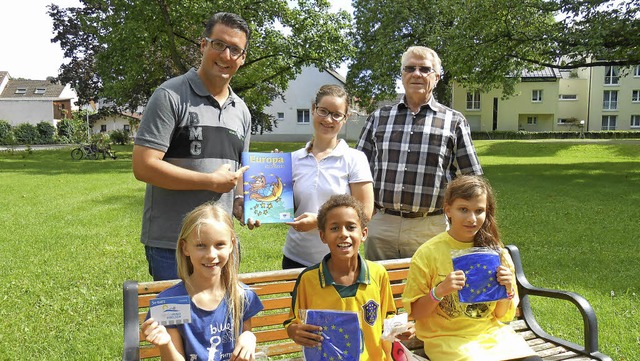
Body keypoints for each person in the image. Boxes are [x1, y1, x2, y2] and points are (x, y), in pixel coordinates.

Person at [133, 12, 255, 281]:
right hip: (173, 245)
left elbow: (239, 171)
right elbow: (144, 166)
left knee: (219, 322)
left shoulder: (242, 111)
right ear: (203, 45)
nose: (226, 56)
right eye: (219, 44)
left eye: (235, 50)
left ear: (243, 58)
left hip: (221, 246)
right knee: (177, 323)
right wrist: (209, 182)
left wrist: (240, 201)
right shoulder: (170, 96)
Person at [356, 45, 483, 261]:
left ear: (437, 77)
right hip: (382, 223)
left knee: (429, 290)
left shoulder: (454, 121)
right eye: (410, 68)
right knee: (379, 289)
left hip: (430, 226)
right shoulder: (379, 118)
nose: (416, 74)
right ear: (402, 75)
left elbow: (472, 180)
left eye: (425, 69)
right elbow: (357, 170)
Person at [402, 175, 542, 361]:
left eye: (479, 211)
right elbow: (416, 313)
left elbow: (501, 315)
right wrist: (440, 290)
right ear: (448, 210)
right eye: (463, 209)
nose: (472, 218)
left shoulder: (496, 252)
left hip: (492, 336)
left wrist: (507, 287)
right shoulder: (428, 253)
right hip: (447, 340)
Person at [284, 194, 412, 360]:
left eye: (351, 227)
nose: (343, 234)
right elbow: (292, 322)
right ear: (323, 236)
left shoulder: (378, 274)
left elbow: (388, 316)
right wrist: (294, 331)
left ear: (364, 233)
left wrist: (400, 328)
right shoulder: (309, 279)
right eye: (334, 228)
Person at [141, 203, 264, 361]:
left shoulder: (241, 295)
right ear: (185, 248)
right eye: (201, 246)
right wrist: (165, 344)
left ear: (232, 246)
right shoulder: (171, 303)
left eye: (220, 244)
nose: (211, 255)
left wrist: (249, 337)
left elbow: (244, 350)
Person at [282, 84, 374, 269]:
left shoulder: (355, 159)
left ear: (345, 118)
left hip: (339, 258)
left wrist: (318, 222)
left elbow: (365, 211)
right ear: (313, 109)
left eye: (336, 114)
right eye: (323, 111)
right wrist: (270, 175)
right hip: (296, 257)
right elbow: (284, 207)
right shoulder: (293, 159)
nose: (328, 119)